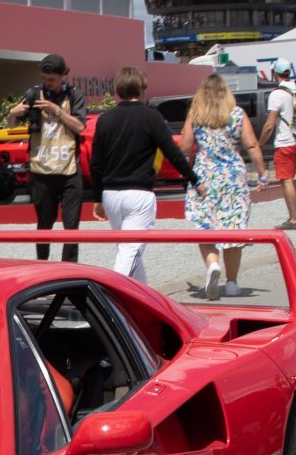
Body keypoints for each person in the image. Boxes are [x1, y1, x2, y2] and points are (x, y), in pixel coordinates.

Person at [89, 67, 194, 283]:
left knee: (128, 249)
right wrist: (194, 179)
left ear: (117, 90)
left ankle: (143, 298)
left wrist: (98, 197)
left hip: (111, 194)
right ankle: (115, 295)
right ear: (142, 88)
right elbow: (172, 152)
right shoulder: (151, 117)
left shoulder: (105, 119)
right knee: (131, 250)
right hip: (139, 193)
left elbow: (96, 163)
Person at [182, 74, 265, 298]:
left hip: (204, 179)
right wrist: (262, 174)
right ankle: (232, 283)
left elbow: (185, 146)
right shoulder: (237, 114)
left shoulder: (195, 115)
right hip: (234, 180)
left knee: (205, 226)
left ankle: (212, 264)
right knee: (233, 230)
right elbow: (251, 144)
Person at [21, 52, 87, 261]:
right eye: (43, 79)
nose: (46, 83)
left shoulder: (74, 95)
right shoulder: (33, 94)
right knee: (44, 227)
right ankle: (43, 269)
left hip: (69, 170)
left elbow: (79, 127)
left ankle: (69, 273)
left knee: (71, 229)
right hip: (41, 170)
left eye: (51, 79)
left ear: (64, 75)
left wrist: (55, 110)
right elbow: (13, 125)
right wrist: (13, 113)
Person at [262, 61, 296, 228]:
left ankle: (293, 219)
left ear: (275, 73)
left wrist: (260, 143)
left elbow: (269, 125)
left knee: (286, 180)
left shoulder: (277, 94)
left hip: (285, 142)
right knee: (290, 178)